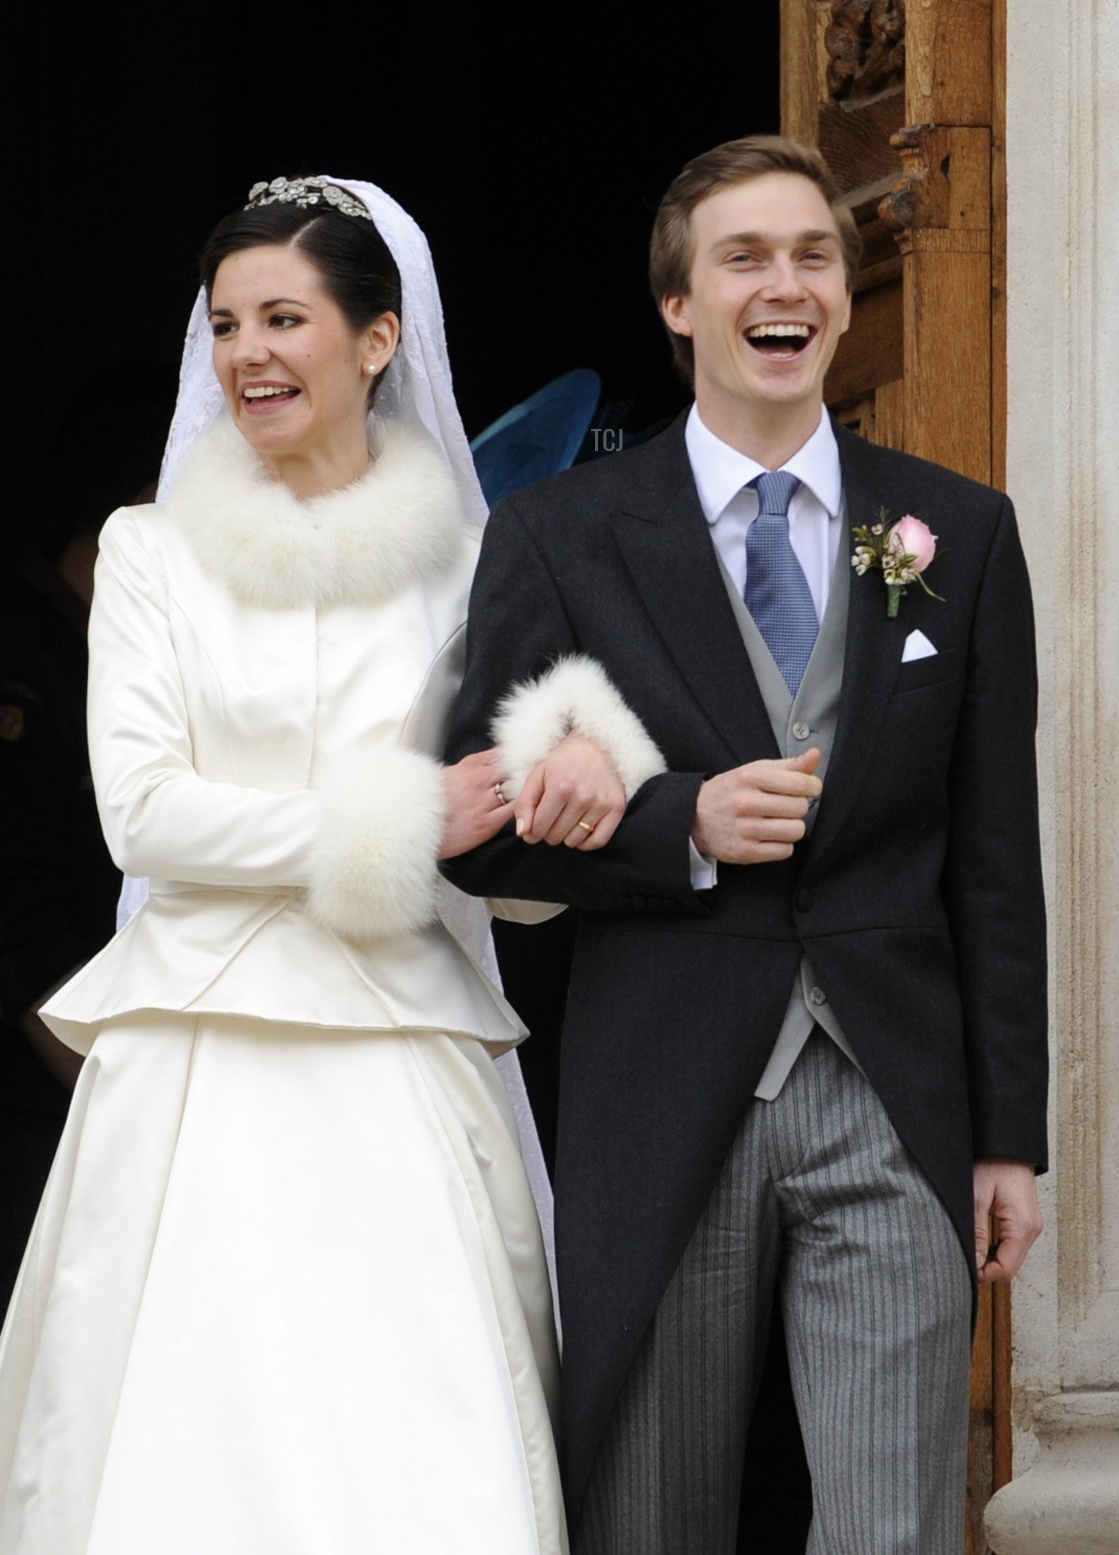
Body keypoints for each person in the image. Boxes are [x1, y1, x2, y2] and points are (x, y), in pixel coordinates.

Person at [0, 175, 591, 1555]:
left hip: (403, 1043)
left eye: (285, 317)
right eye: (227, 321)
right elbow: (148, 818)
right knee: (180, 1452)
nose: (246, 352)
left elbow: (511, 848)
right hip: (195, 1053)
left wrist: (562, 797)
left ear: (377, 340)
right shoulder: (153, 555)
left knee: (417, 1450)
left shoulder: (477, 560)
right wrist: (394, 822)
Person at [443, 136, 1048, 1554]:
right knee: (650, 1520)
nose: (786, 286)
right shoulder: (559, 535)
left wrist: (1007, 1136)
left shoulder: (955, 530)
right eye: (745, 258)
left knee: (890, 1530)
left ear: (845, 296)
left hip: (892, 1095)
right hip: (660, 1096)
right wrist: (680, 824)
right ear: (678, 303)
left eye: (814, 256)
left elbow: (998, 858)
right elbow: (474, 836)